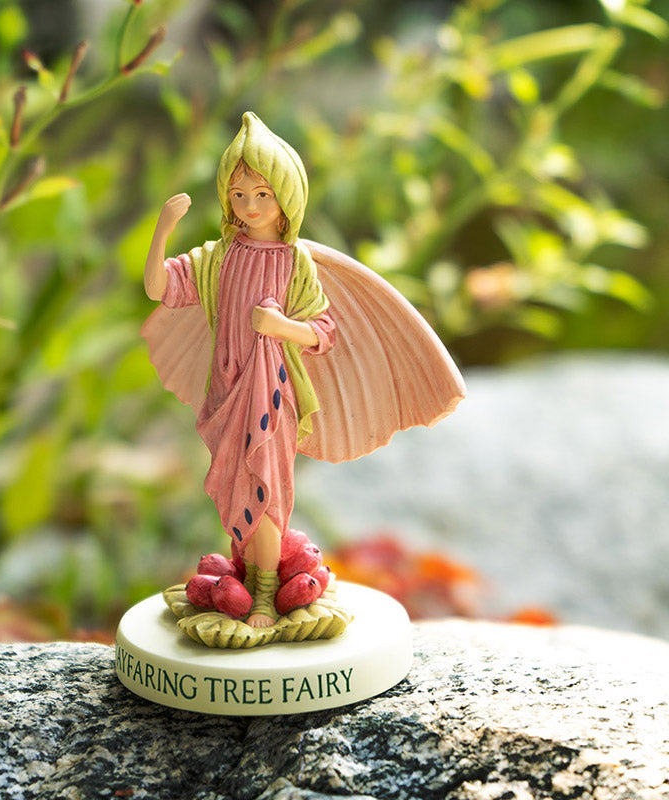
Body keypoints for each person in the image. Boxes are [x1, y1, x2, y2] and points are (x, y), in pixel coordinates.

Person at [143, 112, 466, 632]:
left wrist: (280, 326)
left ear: (286, 197)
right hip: (226, 391)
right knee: (236, 489)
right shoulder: (217, 257)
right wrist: (163, 229)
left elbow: (324, 332)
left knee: (267, 490)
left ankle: (264, 596)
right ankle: (243, 579)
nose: (249, 206)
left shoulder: (295, 262)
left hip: (271, 395)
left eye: (262, 194)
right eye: (239, 194)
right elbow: (159, 288)